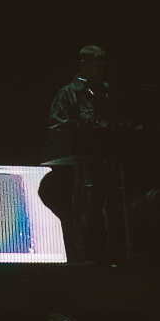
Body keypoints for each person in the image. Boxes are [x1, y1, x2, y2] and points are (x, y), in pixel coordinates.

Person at [41, 45, 117, 263]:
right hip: (77, 173)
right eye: (96, 64)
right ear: (83, 64)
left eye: (103, 65)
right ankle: (81, 259)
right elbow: (57, 129)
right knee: (80, 216)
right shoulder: (68, 94)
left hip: (104, 164)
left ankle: (106, 257)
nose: (101, 69)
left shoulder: (107, 92)